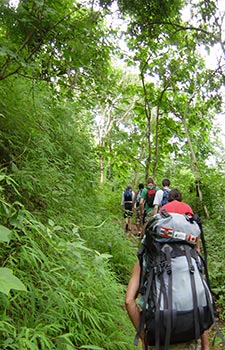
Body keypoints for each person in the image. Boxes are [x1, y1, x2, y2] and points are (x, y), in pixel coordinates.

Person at [125, 188, 209, 350]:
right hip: (191, 334)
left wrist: (144, 336)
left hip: (158, 336)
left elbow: (129, 301)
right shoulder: (191, 259)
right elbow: (198, 297)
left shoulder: (147, 257)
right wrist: (205, 344)